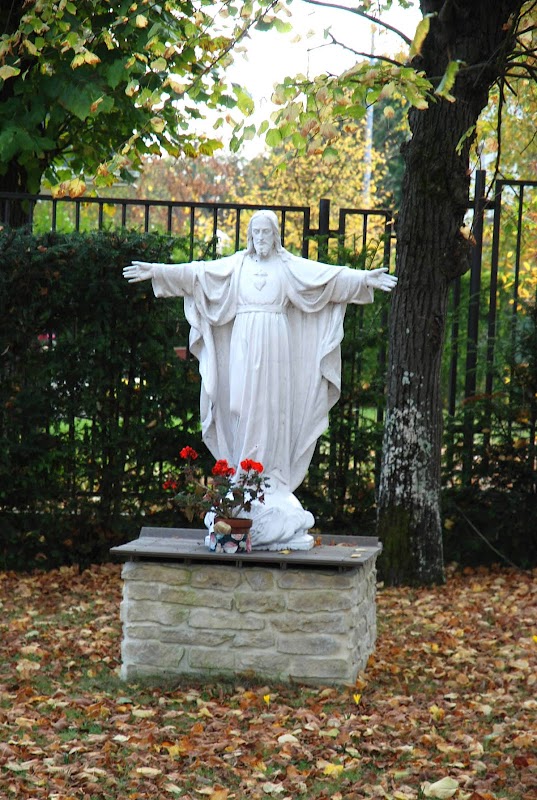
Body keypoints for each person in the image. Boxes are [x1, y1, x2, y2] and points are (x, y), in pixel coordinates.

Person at [124, 209, 397, 550]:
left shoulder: (286, 267)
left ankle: (270, 479)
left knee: (272, 407)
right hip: (244, 341)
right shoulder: (237, 266)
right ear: (251, 237)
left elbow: (325, 279)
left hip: (276, 344)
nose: (262, 239)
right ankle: (243, 473)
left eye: (268, 233)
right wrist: (158, 272)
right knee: (240, 405)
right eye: (257, 233)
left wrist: (362, 280)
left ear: (276, 236)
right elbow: (198, 274)